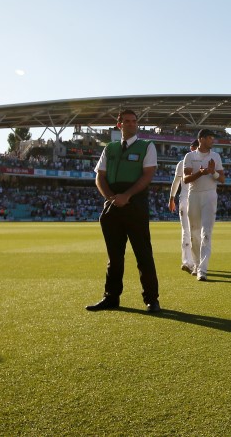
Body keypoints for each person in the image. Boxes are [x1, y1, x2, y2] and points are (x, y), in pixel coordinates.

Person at [87, 109, 161, 313]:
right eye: (126, 121)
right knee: (114, 256)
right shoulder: (109, 148)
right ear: (118, 125)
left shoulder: (147, 146)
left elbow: (147, 176)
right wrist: (111, 197)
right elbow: (99, 176)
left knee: (143, 254)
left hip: (135, 204)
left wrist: (126, 196)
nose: (131, 124)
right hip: (112, 204)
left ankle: (152, 299)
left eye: (134, 121)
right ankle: (111, 297)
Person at [182, 129, 225, 281]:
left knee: (206, 233)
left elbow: (222, 179)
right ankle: (196, 264)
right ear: (201, 139)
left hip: (210, 195)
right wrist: (200, 173)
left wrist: (212, 172)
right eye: (210, 138)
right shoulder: (190, 156)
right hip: (193, 195)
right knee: (194, 232)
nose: (212, 140)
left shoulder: (216, 156)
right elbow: (186, 179)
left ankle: (203, 269)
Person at [169, 139, 199, 274]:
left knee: (196, 232)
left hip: (198, 200)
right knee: (186, 231)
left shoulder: (204, 163)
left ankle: (197, 263)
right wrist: (171, 198)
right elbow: (176, 182)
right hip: (184, 200)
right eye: (194, 148)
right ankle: (187, 262)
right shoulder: (182, 164)